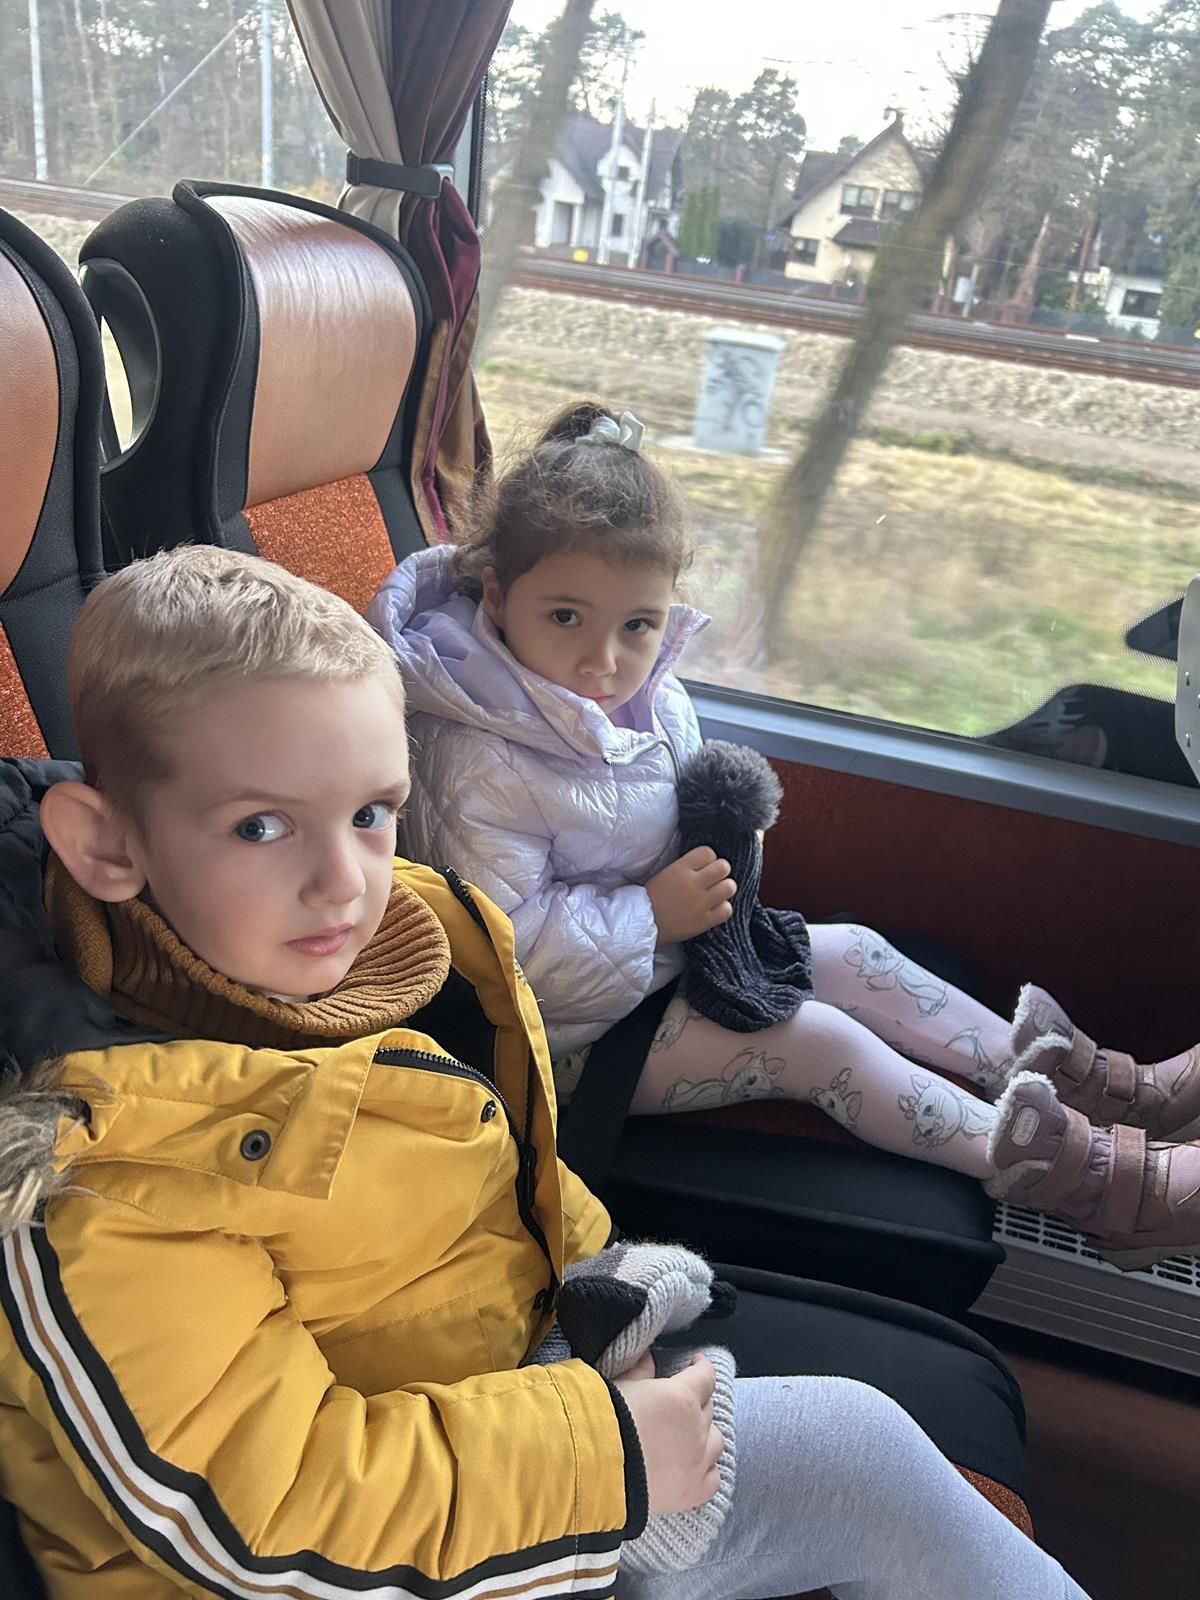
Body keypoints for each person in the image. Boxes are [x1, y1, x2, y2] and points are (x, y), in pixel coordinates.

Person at [0, 546, 1091, 1600]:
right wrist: (608, 1455)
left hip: (483, 1415)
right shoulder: (106, 1177)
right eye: (261, 826)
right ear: (106, 847)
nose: (345, 883)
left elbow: (489, 1187)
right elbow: (261, 1516)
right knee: (860, 1455)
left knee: (867, 1452)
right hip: (333, 1564)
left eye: (372, 814)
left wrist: (591, 1275)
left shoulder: (376, 967)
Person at [370, 401, 1200, 1273]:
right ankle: (1093, 1187)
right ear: (499, 594)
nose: (603, 661)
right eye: (567, 618)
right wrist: (653, 913)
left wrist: (727, 848)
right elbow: (500, 957)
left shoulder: (643, 696)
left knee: (857, 953)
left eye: (638, 625)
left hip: (666, 962)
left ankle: (1095, 1089)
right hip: (555, 1043)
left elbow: (658, 826)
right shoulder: (472, 755)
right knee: (817, 1044)